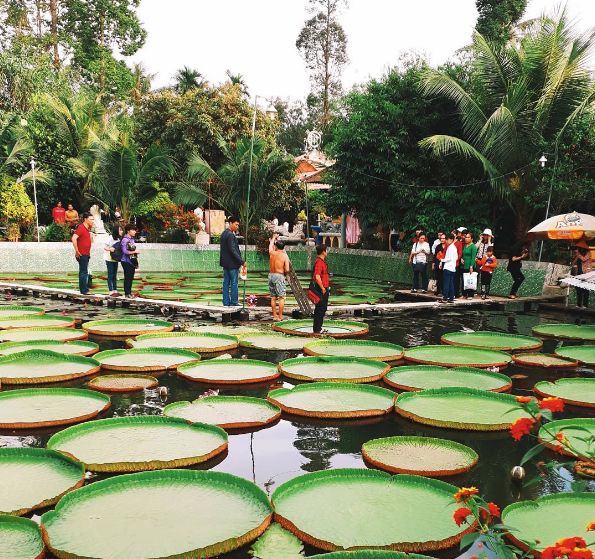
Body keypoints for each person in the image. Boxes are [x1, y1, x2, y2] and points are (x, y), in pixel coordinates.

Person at [220, 216, 245, 307]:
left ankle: (226, 302)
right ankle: (234, 302)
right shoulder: (230, 235)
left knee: (226, 283)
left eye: (238, 225)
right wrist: (241, 261)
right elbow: (232, 249)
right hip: (232, 264)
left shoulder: (224, 233)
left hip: (225, 263)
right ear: (230, 223)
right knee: (234, 283)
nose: (237, 227)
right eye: (236, 224)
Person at [268, 234, 290, 320]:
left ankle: (274, 316)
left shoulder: (272, 253)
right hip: (279, 276)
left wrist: (273, 238)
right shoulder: (285, 256)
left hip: (271, 275)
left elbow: (270, 246)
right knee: (281, 297)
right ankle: (280, 316)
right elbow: (287, 269)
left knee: (273, 297)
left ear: (276, 247)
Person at [72, 212, 94, 295]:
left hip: (86, 254)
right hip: (82, 254)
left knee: (83, 271)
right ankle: (84, 290)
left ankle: (84, 289)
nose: (92, 221)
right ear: (85, 219)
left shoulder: (86, 229)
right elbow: (74, 238)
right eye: (91, 219)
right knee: (83, 272)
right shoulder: (81, 227)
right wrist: (77, 251)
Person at [312, 244, 330, 333]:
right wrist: (322, 288)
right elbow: (317, 276)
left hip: (323, 288)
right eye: (326, 250)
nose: (327, 252)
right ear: (323, 252)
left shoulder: (321, 262)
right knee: (320, 309)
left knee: (322, 308)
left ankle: (319, 328)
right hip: (321, 289)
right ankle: (317, 329)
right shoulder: (319, 262)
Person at [121, 223, 140, 299]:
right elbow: (125, 251)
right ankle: (127, 293)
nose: (135, 231)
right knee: (128, 277)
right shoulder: (125, 240)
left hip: (131, 261)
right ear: (128, 231)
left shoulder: (131, 239)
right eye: (133, 230)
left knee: (131, 277)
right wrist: (135, 252)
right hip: (126, 261)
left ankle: (129, 293)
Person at [438, 233, 457, 303]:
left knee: (446, 283)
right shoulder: (454, 247)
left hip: (448, 267)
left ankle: (445, 298)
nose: (446, 241)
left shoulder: (450, 247)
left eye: (447, 239)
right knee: (451, 283)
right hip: (453, 268)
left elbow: (448, 258)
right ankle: (451, 298)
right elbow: (456, 257)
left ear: (451, 240)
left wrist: (441, 260)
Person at [572, 242, 592, 309]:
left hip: (586, 273)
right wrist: (574, 257)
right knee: (578, 289)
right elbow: (573, 263)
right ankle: (578, 304)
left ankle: (585, 305)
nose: (578, 249)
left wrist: (578, 254)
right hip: (579, 273)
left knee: (585, 289)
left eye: (579, 248)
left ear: (582, 248)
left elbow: (584, 259)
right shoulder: (578, 254)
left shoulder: (588, 253)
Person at [104, 225, 122, 296]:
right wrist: (110, 249)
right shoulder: (110, 238)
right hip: (109, 259)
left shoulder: (119, 239)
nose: (121, 231)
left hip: (115, 259)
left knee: (115, 274)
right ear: (116, 231)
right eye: (120, 230)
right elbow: (104, 247)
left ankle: (115, 290)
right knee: (110, 274)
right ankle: (110, 290)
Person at [476, 228, 494, 293]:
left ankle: (484, 291)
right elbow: (475, 247)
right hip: (479, 259)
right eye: (485, 235)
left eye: (487, 235)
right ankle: (474, 289)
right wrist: (480, 240)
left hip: (486, 260)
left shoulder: (491, 243)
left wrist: (489, 240)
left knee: (485, 276)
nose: (486, 236)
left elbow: (490, 249)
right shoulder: (480, 242)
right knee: (477, 274)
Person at [461, 231, 478, 299]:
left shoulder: (473, 247)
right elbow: (463, 254)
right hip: (464, 265)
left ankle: (470, 294)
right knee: (464, 280)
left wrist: (471, 266)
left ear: (472, 239)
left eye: (468, 237)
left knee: (470, 280)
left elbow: (473, 257)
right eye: (466, 237)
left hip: (470, 265)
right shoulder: (465, 246)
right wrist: (461, 258)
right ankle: (464, 294)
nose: (466, 238)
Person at [432, 232, 446, 296]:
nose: (442, 239)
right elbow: (435, 255)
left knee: (444, 277)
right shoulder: (438, 246)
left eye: (444, 238)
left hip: (445, 263)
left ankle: (443, 291)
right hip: (438, 263)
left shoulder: (448, 246)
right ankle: (438, 290)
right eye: (441, 238)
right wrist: (433, 263)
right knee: (438, 277)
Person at [454, 228, 466, 298]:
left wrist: (458, 258)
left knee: (463, 278)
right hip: (458, 263)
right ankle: (456, 292)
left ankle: (463, 293)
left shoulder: (461, 243)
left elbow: (460, 252)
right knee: (457, 278)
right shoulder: (459, 242)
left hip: (461, 262)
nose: (463, 237)